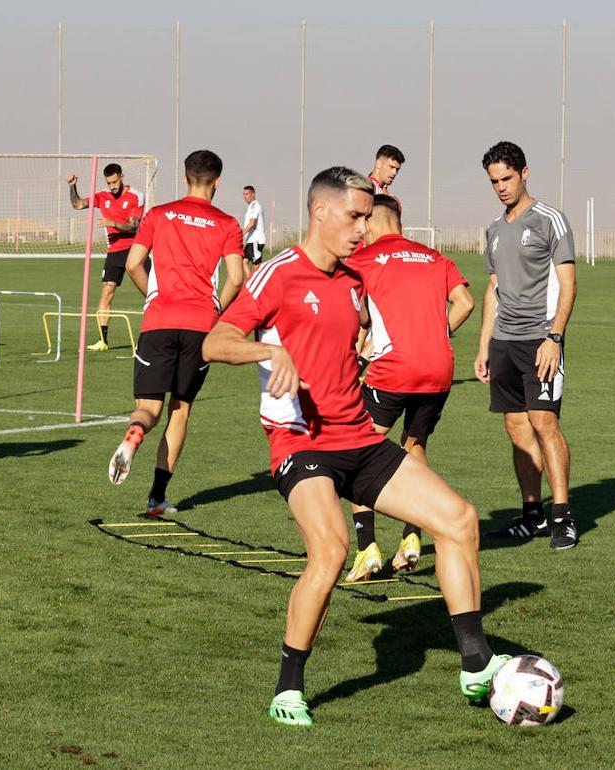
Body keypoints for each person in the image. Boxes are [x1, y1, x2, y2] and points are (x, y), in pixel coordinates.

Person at [202, 166, 507, 727]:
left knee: (461, 521)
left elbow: (361, 330)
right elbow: (217, 339)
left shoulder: (351, 280)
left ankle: (475, 663)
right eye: (354, 216)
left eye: (367, 216)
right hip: (301, 443)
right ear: (320, 212)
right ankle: (289, 688)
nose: (363, 228)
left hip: (360, 437)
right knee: (332, 549)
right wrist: (270, 354)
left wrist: (369, 344)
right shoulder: (278, 273)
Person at [342, 194, 475, 580]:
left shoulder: (362, 261)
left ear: (371, 222)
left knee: (355, 449)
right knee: (414, 447)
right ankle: (412, 536)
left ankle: (367, 547)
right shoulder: (435, 258)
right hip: (438, 369)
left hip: (394, 370)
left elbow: (355, 313)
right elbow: (465, 302)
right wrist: (436, 333)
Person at [106, 150, 245, 515]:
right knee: (179, 410)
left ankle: (134, 433)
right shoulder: (228, 223)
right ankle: (157, 497)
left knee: (147, 408)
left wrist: (152, 296)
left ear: (185, 179)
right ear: (217, 181)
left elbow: (134, 263)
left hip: (158, 321)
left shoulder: (157, 215)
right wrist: (215, 310)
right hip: (199, 326)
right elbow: (237, 277)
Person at [473, 141, 579, 551]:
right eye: (494, 181)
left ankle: (563, 516)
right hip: (504, 342)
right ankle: (532, 515)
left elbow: (568, 283)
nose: (500, 187)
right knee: (516, 427)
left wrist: (555, 337)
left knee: (544, 423)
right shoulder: (495, 229)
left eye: (507, 178)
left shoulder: (551, 220)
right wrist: (483, 345)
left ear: (525, 173)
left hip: (540, 340)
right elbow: (493, 289)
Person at [68, 164, 145, 351]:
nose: (112, 186)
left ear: (122, 177)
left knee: (150, 293)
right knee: (107, 291)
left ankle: (158, 332)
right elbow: (78, 204)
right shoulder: (102, 196)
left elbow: (133, 226)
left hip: (136, 249)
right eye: (109, 182)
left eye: (115, 181)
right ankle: (103, 340)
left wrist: (112, 223)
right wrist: (72, 187)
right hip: (114, 252)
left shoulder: (136, 196)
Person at [241, 185, 267, 273]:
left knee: (256, 267)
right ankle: (252, 284)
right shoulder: (251, 206)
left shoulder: (255, 205)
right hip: (252, 241)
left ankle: (252, 285)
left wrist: (241, 234)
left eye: (247, 194)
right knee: (245, 262)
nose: (245, 196)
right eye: (244, 194)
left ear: (253, 194)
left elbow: (252, 223)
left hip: (255, 241)